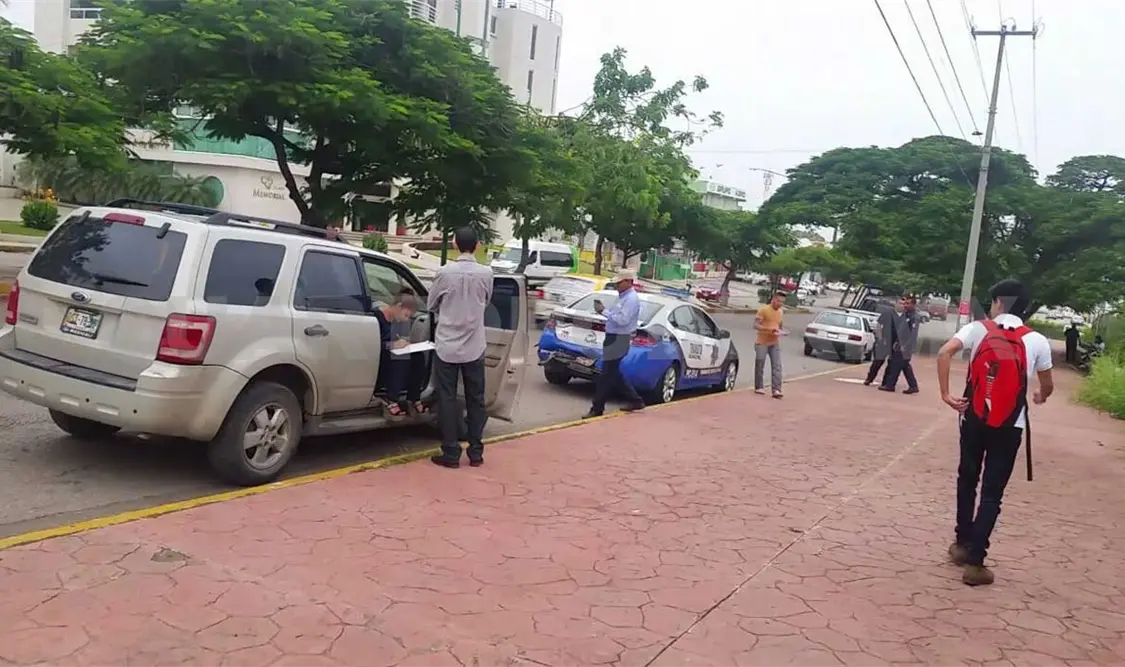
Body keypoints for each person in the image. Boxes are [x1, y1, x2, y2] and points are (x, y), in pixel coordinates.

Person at [936, 279, 1053, 587]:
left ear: (1000, 302)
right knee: (992, 493)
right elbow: (1047, 385)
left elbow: (944, 353)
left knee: (967, 479)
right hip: (1010, 424)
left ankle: (961, 544)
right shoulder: (1037, 341)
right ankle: (976, 563)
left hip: (974, 417)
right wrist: (1040, 396)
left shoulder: (978, 329)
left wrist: (947, 395)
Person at [426, 227, 493, 469]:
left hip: (447, 345)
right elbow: (486, 301)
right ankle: (476, 453)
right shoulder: (487, 273)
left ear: (454, 244)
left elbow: (431, 304)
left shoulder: (444, 272)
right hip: (475, 344)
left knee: (447, 398)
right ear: (476, 246)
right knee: (476, 398)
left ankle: (451, 452)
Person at [583, 270, 646, 418]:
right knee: (612, 372)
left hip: (620, 338)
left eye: (620, 282)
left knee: (606, 374)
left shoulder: (630, 299)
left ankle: (597, 408)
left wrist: (604, 311)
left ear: (629, 282)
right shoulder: (622, 297)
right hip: (613, 337)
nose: (617, 285)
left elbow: (622, 320)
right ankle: (635, 400)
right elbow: (616, 316)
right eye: (616, 282)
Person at [372, 289, 426, 419]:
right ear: (399, 306)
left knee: (418, 357)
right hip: (378, 356)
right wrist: (391, 345)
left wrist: (403, 342)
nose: (406, 319)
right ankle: (391, 399)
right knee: (400, 357)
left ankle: (414, 397)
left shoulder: (398, 322)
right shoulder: (377, 318)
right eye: (406, 315)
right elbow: (374, 342)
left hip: (391, 353)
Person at [880, 294, 920, 394]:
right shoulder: (906, 315)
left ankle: (890, 385)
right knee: (904, 365)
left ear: (914, 305)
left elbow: (912, 334)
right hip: (900, 344)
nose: (905, 305)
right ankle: (913, 386)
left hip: (906, 346)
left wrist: (904, 345)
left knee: (896, 364)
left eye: (908, 303)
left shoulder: (914, 317)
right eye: (905, 303)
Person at [754, 291, 786, 398]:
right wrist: (768, 329)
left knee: (777, 366)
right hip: (762, 342)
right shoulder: (764, 310)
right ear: (773, 299)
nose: (780, 304)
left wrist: (781, 331)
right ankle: (759, 386)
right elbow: (756, 325)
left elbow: (779, 325)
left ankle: (776, 389)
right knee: (760, 364)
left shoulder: (781, 312)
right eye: (778, 301)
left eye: (782, 302)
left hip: (774, 342)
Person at [864, 299, 896, 386]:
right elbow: (878, 325)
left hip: (895, 343)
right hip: (884, 341)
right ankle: (869, 378)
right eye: (900, 303)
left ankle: (885, 382)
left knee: (892, 364)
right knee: (877, 362)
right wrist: (880, 338)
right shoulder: (887, 313)